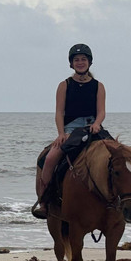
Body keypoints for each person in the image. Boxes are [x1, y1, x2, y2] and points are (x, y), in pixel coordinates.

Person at [31, 42, 107, 219]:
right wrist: (61, 133)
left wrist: (97, 123)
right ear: (71, 64)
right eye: (76, 60)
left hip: (93, 128)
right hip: (71, 130)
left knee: (116, 156)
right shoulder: (64, 85)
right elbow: (59, 112)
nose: (80, 62)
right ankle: (44, 202)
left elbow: (101, 111)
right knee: (48, 159)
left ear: (89, 62)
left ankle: (117, 201)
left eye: (83, 59)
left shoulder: (98, 86)